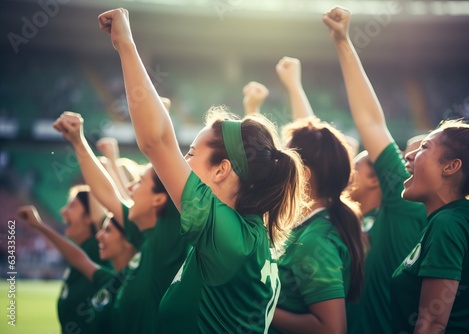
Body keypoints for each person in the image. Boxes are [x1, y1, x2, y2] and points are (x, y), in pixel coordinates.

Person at [98, 8, 307, 333]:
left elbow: (157, 141)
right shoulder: (244, 234)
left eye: (192, 153)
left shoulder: (227, 237)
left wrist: (125, 42)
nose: (184, 161)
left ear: (222, 170)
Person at [322, 7, 428, 333]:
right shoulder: (385, 215)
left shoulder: (407, 207)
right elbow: (320, 165)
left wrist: (343, 42)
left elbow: (371, 124)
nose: (404, 159)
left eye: (422, 151)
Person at [53, 112, 190, 334]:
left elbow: (161, 149)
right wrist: (78, 141)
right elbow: (107, 193)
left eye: (139, 182)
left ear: (159, 199)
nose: (129, 187)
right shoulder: (144, 239)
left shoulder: (167, 238)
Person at [390, 116, 469, 332]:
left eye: (424, 147)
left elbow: (431, 324)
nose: (409, 155)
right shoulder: (460, 219)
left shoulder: (449, 224)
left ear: (451, 166)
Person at [271, 116, 365, 334]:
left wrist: (263, 305)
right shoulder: (308, 226)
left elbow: (332, 329)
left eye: (283, 160)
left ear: (303, 174)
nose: (275, 167)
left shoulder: (315, 241)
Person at [17, 205, 136, 334]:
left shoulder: (134, 285)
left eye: (107, 230)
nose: (99, 236)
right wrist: (39, 225)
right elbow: (79, 259)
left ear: (129, 239)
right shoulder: (108, 280)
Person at [36, 185, 112, 334]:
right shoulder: (79, 253)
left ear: (89, 217)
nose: (63, 211)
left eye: (72, 206)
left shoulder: (97, 248)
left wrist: (39, 225)